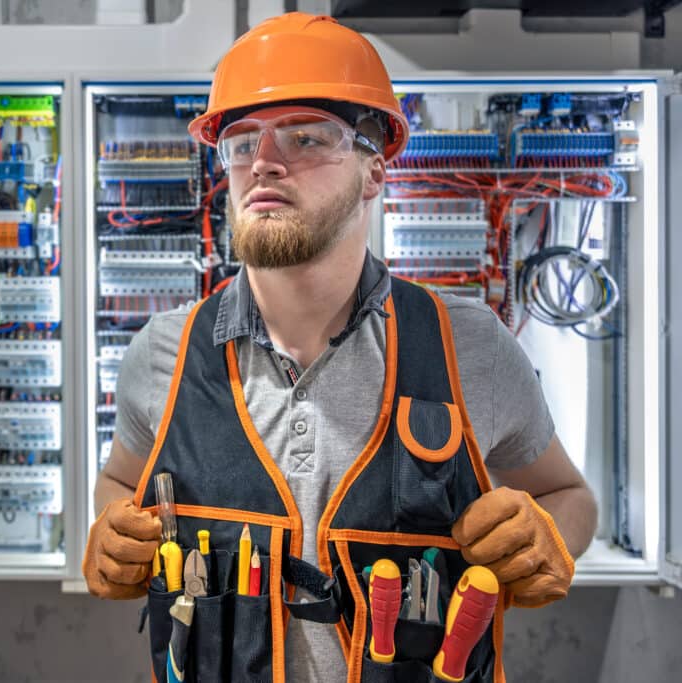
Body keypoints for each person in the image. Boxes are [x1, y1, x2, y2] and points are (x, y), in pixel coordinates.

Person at [83, 12, 598, 682]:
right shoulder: (163, 355)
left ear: (374, 171)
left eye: (307, 137)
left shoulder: (468, 347)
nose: (264, 161)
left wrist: (553, 536)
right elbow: (122, 479)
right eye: (240, 142)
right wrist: (111, 528)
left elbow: (567, 493)